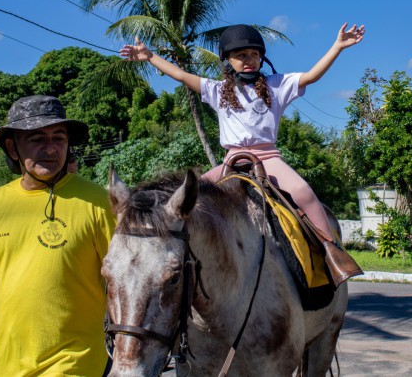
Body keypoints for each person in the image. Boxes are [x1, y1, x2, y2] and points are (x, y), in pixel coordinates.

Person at [120, 23, 365, 285]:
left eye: (254, 55)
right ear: (228, 61)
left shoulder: (277, 84)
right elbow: (181, 76)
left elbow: (312, 76)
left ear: (261, 57)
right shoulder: (216, 90)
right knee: (189, 198)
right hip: (230, 161)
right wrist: (150, 56)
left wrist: (337, 46)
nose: (249, 60)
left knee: (304, 193)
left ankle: (332, 254)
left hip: (268, 159)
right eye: (241, 56)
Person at [0, 95, 117, 377]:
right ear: (12, 148)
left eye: (59, 138)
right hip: (2, 365)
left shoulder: (98, 202)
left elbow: (126, 281)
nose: (51, 148)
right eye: (37, 139)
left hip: (75, 364)